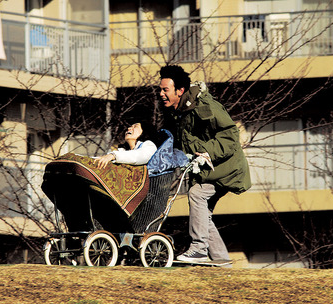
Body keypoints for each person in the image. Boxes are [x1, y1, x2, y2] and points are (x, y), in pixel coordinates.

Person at [158, 65, 251, 264]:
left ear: (180, 91)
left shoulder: (204, 106)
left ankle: (199, 249)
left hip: (225, 168)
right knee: (203, 214)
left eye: (165, 90)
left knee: (196, 194)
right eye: (160, 89)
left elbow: (230, 136)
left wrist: (208, 152)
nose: (161, 94)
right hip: (208, 170)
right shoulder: (177, 111)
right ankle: (221, 260)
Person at [94, 121, 158, 169]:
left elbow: (138, 156)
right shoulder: (122, 151)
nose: (129, 128)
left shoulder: (149, 145)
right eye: (130, 126)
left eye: (135, 127)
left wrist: (113, 156)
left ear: (144, 131)